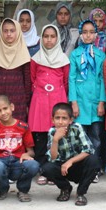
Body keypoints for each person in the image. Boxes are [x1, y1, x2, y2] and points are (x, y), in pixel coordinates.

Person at [0, 95, 40, 201]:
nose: (3, 113)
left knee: (33, 165)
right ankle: (3, 187)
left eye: (5, 108)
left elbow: (31, 152)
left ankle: (23, 190)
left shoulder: (23, 126)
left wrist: (27, 154)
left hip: (18, 162)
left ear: (12, 107)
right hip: (0, 162)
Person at [28, 24, 70, 185]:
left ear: (57, 38)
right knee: (41, 137)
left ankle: (54, 171)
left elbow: (66, 82)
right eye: (46, 36)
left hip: (57, 100)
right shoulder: (35, 59)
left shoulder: (63, 60)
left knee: (57, 136)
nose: (49, 40)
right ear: (41, 38)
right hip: (40, 101)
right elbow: (32, 79)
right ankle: (43, 171)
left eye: (53, 36)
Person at [69, 19, 106, 176]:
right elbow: (71, 79)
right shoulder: (75, 54)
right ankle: (80, 168)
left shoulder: (101, 55)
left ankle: (94, 169)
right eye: (85, 32)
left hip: (95, 102)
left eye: (91, 32)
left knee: (95, 137)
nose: (88, 35)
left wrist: (101, 102)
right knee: (79, 137)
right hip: (80, 101)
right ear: (80, 34)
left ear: (96, 35)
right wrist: (73, 102)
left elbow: (103, 80)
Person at [41, 102, 100, 206]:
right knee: (47, 168)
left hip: (77, 165)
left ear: (70, 120)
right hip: (62, 169)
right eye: (57, 118)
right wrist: (55, 140)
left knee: (94, 160)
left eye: (64, 118)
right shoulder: (52, 132)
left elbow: (88, 150)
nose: (60, 122)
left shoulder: (77, 127)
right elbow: (52, 158)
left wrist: (70, 161)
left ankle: (81, 193)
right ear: (52, 120)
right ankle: (65, 188)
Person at [0, 18, 32, 126]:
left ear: (18, 32)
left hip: (18, 97)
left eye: (12, 31)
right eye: (5, 31)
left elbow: (27, 78)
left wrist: (26, 100)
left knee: (16, 128)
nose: (8, 34)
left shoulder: (23, 52)